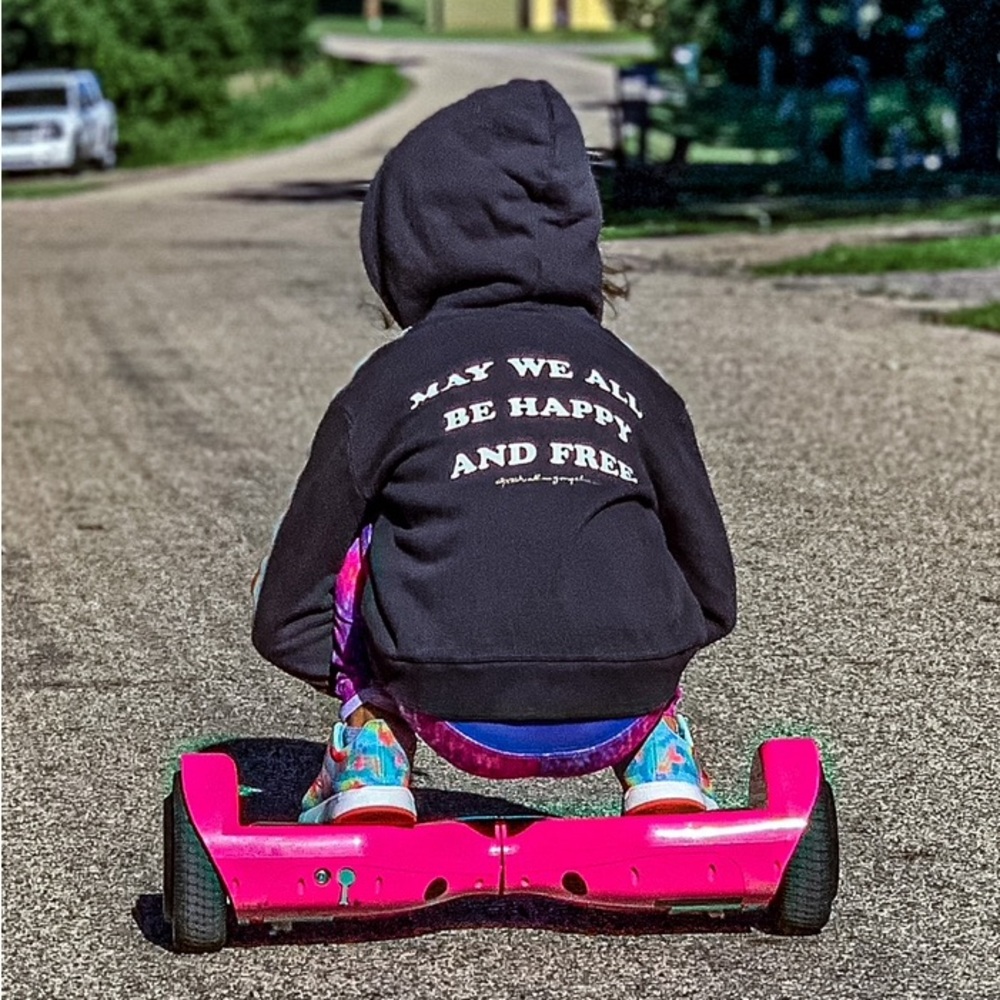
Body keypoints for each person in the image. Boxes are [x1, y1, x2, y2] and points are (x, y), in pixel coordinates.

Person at [251, 79, 737, 826]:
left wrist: (376, 669)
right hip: (628, 696)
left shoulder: (389, 383)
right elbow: (710, 585)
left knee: (367, 533)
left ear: (407, 244)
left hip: (441, 696)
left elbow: (287, 608)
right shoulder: (639, 384)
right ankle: (661, 760)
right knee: (627, 539)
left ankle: (372, 743)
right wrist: (639, 655)